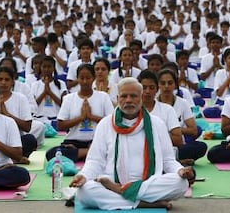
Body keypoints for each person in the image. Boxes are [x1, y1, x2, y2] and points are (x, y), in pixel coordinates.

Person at [70, 77, 194, 211]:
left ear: (141, 98)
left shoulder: (156, 124)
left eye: (133, 96)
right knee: (85, 191)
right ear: (117, 99)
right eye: (124, 96)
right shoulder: (105, 124)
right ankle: (142, 203)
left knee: (181, 183)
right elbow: (95, 161)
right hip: (112, 180)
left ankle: (121, 192)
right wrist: (84, 175)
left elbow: (168, 160)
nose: (128, 100)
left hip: (147, 183)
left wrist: (180, 170)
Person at [46, 64, 114, 162]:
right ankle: (89, 153)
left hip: (96, 141)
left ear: (94, 78)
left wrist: (91, 116)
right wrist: (81, 118)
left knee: (113, 150)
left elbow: (111, 122)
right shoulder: (69, 98)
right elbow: (60, 125)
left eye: (88, 78)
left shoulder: (103, 97)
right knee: (52, 153)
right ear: (77, 79)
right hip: (73, 142)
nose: (85, 81)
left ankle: (81, 153)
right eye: (82, 78)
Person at [157, 69, 207, 162]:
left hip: (177, 144)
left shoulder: (182, 103)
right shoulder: (153, 103)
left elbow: (193, 130)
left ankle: (169, 159)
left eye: (170, 83)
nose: (166, 86)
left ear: (175, 84)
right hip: (157, 145)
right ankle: (175, 160)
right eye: (163, 83)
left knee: (201, 147)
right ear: (158, 85)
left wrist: (174, 129)